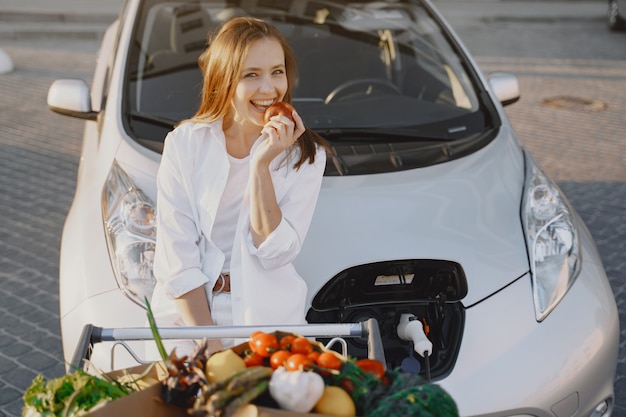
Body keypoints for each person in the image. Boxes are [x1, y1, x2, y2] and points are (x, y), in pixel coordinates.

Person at [149, 16, 329, 357]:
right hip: (187, 317)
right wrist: (210, 344)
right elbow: (177, 257)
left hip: (266, 317)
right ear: (225, 80)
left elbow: (276, 252)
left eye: (277, 71)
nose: (269, 88)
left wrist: (261, 165)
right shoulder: (186, 143)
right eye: (251, 75)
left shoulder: (306, 155)